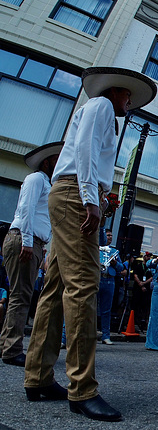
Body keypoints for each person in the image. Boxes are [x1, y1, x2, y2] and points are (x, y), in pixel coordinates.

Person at [23, 67, 156, 422]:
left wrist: (99, 192)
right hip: (75, 194)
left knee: (55, 289)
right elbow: (83, 148)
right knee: (83, 284)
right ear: (117, 92)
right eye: (128, 97)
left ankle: (37, 378)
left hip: (71, 192)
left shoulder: (101, 112)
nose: (130, 103)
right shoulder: (100, 104)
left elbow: (89, 155)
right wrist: (90, 197)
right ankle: (82, 389)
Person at [1, 141, 62, 367]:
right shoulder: (36, 179)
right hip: (24, 240)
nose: (59, 164)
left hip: (32, 242)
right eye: (56, 160)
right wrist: (27, 241)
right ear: (46, 162)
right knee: (20, 295)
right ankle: (12, 349)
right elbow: (26, 209)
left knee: (19, 294)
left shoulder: (46, 183)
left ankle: (6, 344)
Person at [97, 228, 123, 345]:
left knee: (106, 310)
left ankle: (106, 335)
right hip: (98, 278)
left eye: (111, 236)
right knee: (90, 308)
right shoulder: (96, 249)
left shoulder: (114, 251)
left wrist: (115, 264)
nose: (110, 237)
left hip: (109, 280)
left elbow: (121, 268)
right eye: (107, 235)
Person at [132, 252, 153, 333]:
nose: (148, 258)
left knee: (144, 307)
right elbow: (135, 275)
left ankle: (142, 323)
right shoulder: (139, 265)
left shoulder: (150, 268)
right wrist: (140, 284)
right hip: (137, 289)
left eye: (149, 256)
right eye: (147, 256)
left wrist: (144, 283)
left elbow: (151, 277)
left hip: (146, 289)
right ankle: (135, 322)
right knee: (135, 305)